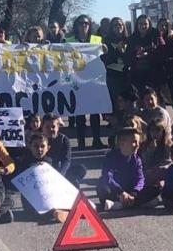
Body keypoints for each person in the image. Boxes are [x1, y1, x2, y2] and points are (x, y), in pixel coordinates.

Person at [67, 14, 106, 149]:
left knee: (95, 113)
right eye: (80, 23)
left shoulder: (97, 40)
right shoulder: (69, 40)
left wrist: (105, 50)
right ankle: (81, 142)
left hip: (93, 80)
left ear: (90, 25)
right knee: (80, 114)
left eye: (86, 23)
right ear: (76, 25)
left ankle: (96, 139)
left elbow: (104, 58)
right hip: (77, 80)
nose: (83, 26)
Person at [97, 128, 159, 211]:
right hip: (116, 191)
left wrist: (135, 192)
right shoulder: (110, 157)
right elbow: (108, 176)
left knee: (155, 188)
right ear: (122, 143)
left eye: (138, 142)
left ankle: (120, 205)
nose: (137, 145)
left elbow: (140, 178)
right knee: (102, 185)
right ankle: (134, 203)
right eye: (134, 142)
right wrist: (121, 192)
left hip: (131, 190)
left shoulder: (137, 159)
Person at [16, 134, 72, 223]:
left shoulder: (50, 161)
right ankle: (58, 213)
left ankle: (62, 211)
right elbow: (20, 180)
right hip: (31, 201)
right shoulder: (24, 161)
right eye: (36, 146)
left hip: (48, 198)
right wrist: (34, 169)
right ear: (30, 147)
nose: (39, 149)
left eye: (42, 146)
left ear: (48, 148)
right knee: (34, 214)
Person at [153, 18, 173, 121]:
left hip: (172, 75)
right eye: (161, 25)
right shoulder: (154, 39)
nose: (163, 28)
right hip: (158, 75)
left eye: (165, 26)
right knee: (159, 103)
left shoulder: (172, 39)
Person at [40, 113, 86, 188]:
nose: (50, 129)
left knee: (81, 169)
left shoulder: (64, 139)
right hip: (43, 172)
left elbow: (66, 160)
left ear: (58, 127)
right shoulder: (38, 140)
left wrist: (60, 175)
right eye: (47, 127)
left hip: (60, 171)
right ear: (42, 127)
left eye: (53, 126)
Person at [101, 18, 129, 114]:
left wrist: (124, 53)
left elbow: (131, 58)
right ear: (111, 28)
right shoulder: (106, 42)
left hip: (126, 75)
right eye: (115, 25)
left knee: (127, 102)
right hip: (113, 76)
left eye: (120, 25)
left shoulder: (128, 40)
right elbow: (106, 60)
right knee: (116, 102)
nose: (118, 27)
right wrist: (117, 51)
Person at [126, 14, 159, 92]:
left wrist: (148, 55)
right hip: (137, 75)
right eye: (140, 24)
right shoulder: (132, 39)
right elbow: (127, 57)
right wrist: (136, 55)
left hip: (153, 74)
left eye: (145, 24)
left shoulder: (155, 36)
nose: (143, 26)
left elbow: (160, 53)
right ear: (137, 25)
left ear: (149, 24)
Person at [140, 119, 172, 187]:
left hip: (161, 171)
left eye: (158, 130)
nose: (155, 133)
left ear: (163, 131)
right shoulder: (144, 145)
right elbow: (145, 162)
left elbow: (167, 162)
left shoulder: (168, 145)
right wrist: (150, 150)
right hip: (149, 172)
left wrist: (155, 169)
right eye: (152, 130)